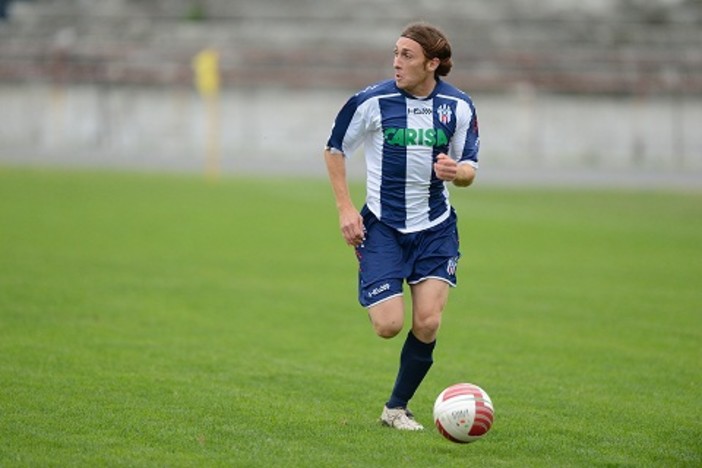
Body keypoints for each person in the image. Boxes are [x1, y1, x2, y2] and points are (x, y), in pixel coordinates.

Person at [324, 22, 480, 430]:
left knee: (427, 321)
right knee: (388, 326)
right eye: (395, 53)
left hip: (435, 228)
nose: (396, 62)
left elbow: (470, 170)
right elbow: (334, 148)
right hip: (382, 226)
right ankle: (374, 268)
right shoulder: (371, 101)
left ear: (432, 63)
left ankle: (396, 408)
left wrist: (455, 171)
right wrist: (345, 209)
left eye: (406, 55)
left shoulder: (459, 106)